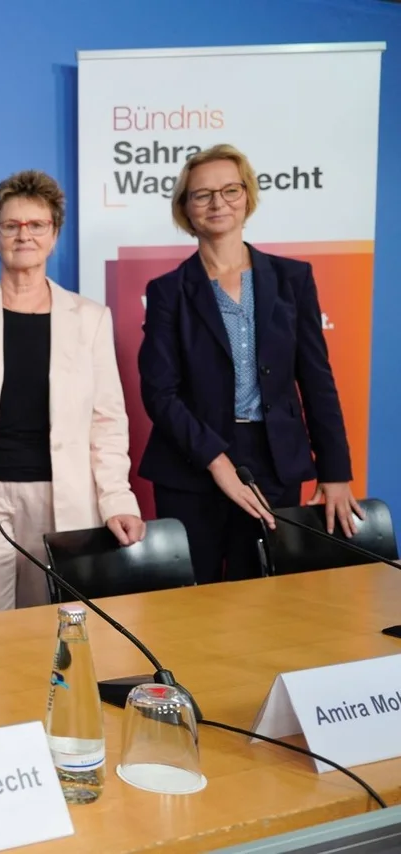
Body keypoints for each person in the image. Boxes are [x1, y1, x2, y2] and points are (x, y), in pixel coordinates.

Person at [138, 144, 359, 585]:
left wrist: (336, 473)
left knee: (266, 596)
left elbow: (316, 379)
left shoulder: (293, 279)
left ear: (247, 197)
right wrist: (216, 462)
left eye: (229, 190)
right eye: (202, 195)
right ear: (185, 208)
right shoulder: (168, 291)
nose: (217, 203)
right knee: (189, 603)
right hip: (192, 465)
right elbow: (159, 393)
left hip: (274, 462)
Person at [0, 170, 144, 613]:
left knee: (55, 629)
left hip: (62, 496)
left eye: (37, 225)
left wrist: (117, 498)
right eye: (11, 225)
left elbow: (107, 420)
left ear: (54, 236)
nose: (23, 235)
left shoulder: (90, 317)